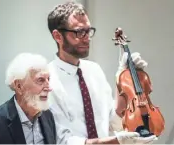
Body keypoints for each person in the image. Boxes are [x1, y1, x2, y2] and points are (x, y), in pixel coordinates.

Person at [47, 1, 158, 144]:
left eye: (89, 31)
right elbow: (63, 141)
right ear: (58, 36)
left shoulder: (94, 70)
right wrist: (117, 141)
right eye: (80, 32)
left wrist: (123, 78)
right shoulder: (48, 80)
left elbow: (112, 120)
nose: (87, 38)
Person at [0, 53, 57, 144]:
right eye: (40, 80)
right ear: (19, 86)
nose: (49, 88)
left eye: (48, 79)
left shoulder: (48, 116)